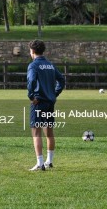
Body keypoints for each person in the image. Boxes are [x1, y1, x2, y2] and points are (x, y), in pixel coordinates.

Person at [27, 39, 65, 171]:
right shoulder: (50, 65)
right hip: (50, 102)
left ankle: (40, 163)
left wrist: (31, 96)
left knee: (36, 132)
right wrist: (55, 93)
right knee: (49, 132)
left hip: (39, 102)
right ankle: (49, 161)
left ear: (32, 51)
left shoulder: (33, 65)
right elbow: (61, 80)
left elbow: (31, 81)